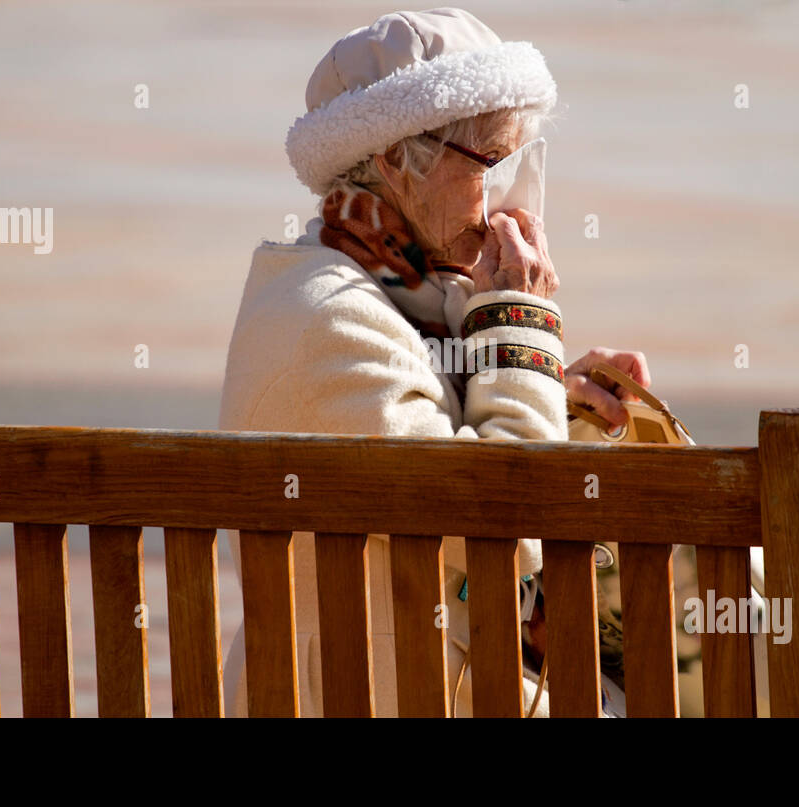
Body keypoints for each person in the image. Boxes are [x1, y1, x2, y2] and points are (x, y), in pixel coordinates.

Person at [218, 7, 651, 717]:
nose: (509, 201)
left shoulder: (378, 295)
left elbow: (441, 453)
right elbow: (503, 534)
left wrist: (551, 392)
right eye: (492, 164)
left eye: (520, 163)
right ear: (395, 158)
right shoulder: (330, 323)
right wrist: (520, 328)